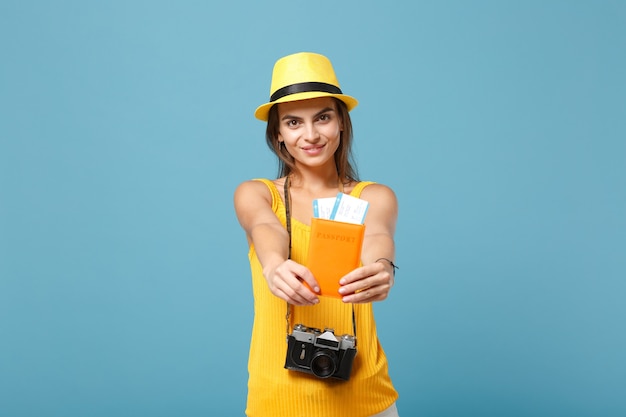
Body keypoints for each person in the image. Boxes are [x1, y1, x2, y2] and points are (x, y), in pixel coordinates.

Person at [234, 52, 400, 417]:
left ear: (341, 122)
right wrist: (275, 266)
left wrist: (381, 268)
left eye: (322, 118)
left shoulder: (373, 196)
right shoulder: (258, 193)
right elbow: (265, 227)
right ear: (277, 133)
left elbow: (377, 239)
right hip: (278, 397)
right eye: (293, 122)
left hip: (363, 395)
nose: (310, 135)